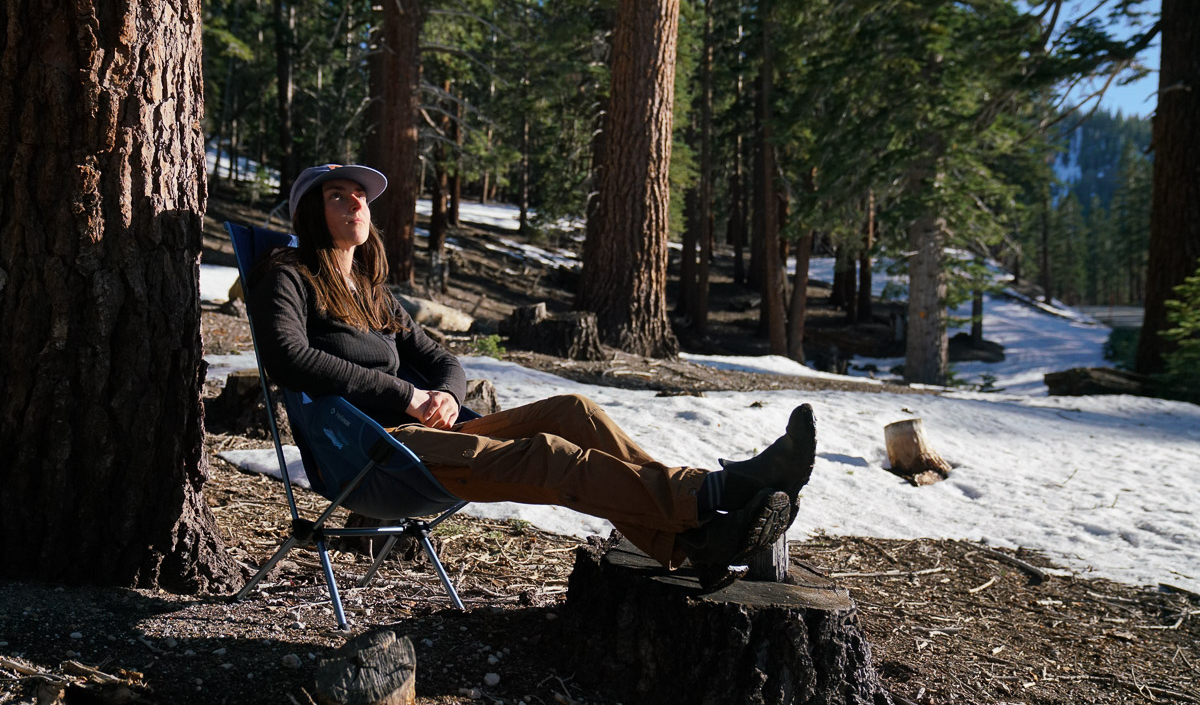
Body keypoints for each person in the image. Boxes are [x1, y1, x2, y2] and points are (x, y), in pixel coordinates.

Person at [249, 163, 817, 593]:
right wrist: (407, 394)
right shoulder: (289, 275)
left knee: (574, 411)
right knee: (551, 455)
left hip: (428, 437)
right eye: (336, 195)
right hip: (373, 453)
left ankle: (695, 543)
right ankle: (719, 491)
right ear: (309, 213)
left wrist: (445, 395)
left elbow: (446, 361)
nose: (354, 202)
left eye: (360, 196)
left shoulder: (373, 294)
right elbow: (288, 358)